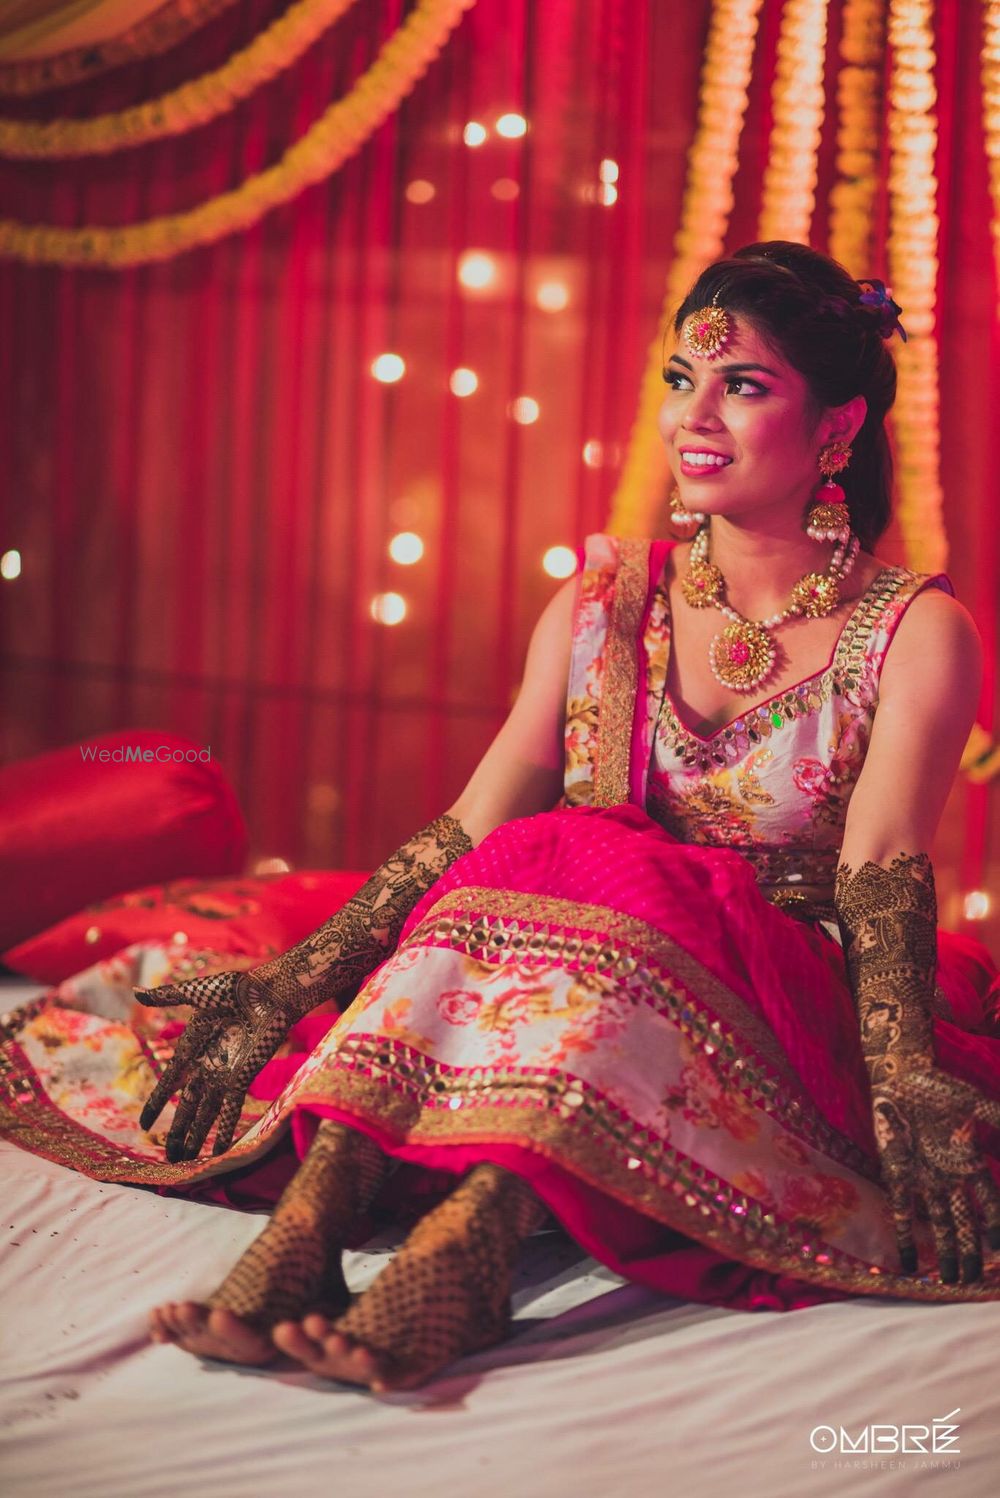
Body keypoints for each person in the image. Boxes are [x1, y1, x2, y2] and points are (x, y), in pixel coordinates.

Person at [5, 241, 1000, 1395]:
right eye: (683, 377)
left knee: (592, 861)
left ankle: (464, 1252)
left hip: (771, 992)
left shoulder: (915, 631)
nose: (696, 413)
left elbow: (878, 861)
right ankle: (311, 1229)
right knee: (548, 850)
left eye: (744, 384)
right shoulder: (602, 603)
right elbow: (473, 827)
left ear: (835, 429)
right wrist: (294, 980)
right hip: (573, 958)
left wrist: (899, 1070)